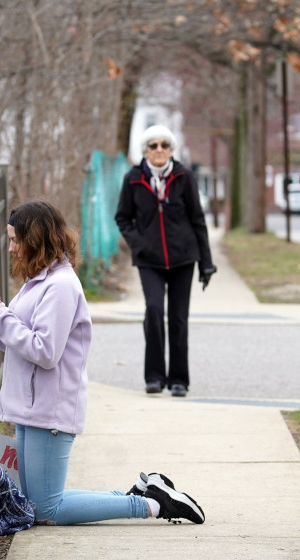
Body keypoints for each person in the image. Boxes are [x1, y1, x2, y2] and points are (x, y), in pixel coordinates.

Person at [0, 200, 204, 525]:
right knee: (38, 504)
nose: (11, 248)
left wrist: (3, 315)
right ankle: (143, 494)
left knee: (46, 509)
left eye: (15, 240)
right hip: (30, 406)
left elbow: (45, 351)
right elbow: (14, 343)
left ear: (35, 240)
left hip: (49, 410)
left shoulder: (61, 287)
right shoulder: (38, 281)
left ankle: (152, 505)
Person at [115, 124, 217, 397]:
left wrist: (206, 262)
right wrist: (140, 242)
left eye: (164, 145)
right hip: (149, 260)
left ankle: (179, 379)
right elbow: (122, 217)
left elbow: (198, 220)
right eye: (153, 145)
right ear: (145, 151)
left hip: (183, 258)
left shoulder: (184, 176)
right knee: (154, 311)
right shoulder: (133, 179)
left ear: (171, 149)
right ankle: (154, 376)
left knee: (179, 318)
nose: (159, 150)